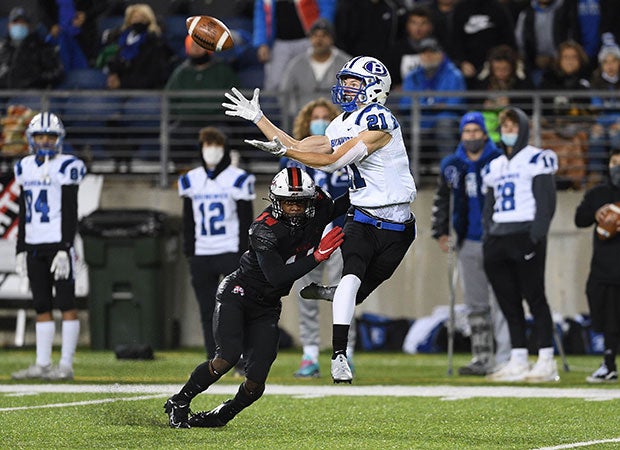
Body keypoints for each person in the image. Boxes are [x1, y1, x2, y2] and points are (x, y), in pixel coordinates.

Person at [223, 55, 417, 383]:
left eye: (354, 82)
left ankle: (334, 292)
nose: (346, 88)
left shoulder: (380, 122)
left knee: (362, 287)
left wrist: (286, 152)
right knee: (353, 277)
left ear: (375, 88)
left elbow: (330, 162)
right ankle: (339, 355)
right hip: (362, 216)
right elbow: (298, 144)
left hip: (400, 223)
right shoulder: (340, 123)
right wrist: (260, 118)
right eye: (346, 81)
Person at [164, 167, 348, 428]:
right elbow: (277, 276)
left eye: (299, 202)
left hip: (268, 305)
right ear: (275, 200)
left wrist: (373, 183)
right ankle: (180, 400)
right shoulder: (264, 228)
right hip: (239, 293)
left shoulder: (318, 208)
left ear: (309, 201)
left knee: (256, 380)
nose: (294, 208)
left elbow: (347, 202)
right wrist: (317, 256)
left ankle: (221, 415)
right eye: (288, 202)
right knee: (227, 356)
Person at [482, 106, 560, 383]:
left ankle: (546, 359)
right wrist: (488, 236)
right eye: (505, 128)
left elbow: (546, 203)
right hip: (499, 237)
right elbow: (488, 206)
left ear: (524, 129)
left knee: (535, 298)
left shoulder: (537, 158)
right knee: (509, 302)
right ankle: (518, 358)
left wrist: (536, 236)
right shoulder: (495, 164)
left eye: (514, 127)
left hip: (525, 233)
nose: (509, 132)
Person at [431, 111, 510, 376]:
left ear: (485, 134)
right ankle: (482, 356)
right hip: (468, 240)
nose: (472, 137)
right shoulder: (453, 164)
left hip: (497, 239)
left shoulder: (499, 161)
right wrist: (441, 231)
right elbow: (443, 199)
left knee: (502, 300)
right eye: (467, 132)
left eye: (476, 132)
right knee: (476, 304)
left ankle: (506, 357)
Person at [11, 112, 87, 381]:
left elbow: (70, 208)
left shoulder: (68, 166)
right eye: (40, 136)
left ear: (59, 139)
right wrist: (20, 247)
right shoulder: (24, 166)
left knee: (66, 303)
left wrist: (66, 246)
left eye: (50, 136)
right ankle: (42, 364)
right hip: (33, 244)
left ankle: (65, 365)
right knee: (41, 304)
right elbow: (23, 210)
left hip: (59, 245)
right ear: (31, 139)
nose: (45, 141)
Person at [280, 98, 352, 378]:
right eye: (315, 117)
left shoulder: (346, 152)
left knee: (345, 294)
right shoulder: (293, 157)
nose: (320, 121)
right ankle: (310, 353)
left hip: (340, 231)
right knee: (305, 293)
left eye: (326, 117)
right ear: (306, 124)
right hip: (306, 235)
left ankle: (345, 352)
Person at [178, 127, 255, 360]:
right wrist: (190, 251)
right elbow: (188, 219)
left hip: (231, 250)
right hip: (202, 252)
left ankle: (240, 356)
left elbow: (245, 219)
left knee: (235, 307)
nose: (211, 151)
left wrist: (246, 252)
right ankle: (215, 357)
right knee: (206, 310)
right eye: (207, 145)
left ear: (225, 149)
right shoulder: (191, 179)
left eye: (216, 145)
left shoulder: (238, 178)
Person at [574, 148, 620, 383]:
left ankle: (609, 363)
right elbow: (579, 219)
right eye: (614, 162)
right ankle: (609, 362)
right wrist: (597, 213)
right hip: (602, 267)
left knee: (615, 319)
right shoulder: (598, 193)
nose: (618, 167)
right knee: (603, 317)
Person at [400, 37, 466, 164]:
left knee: (445, 123)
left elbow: (456, 103)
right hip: (418, 120)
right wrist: (433, 105)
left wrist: (424, 106)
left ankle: (448, 171)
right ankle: (406, 172)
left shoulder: (454, 74)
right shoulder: (412, 76)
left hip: (443, 120)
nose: (428, 56)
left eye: (432, 52)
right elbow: (405, 104)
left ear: (441, 54)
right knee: (399, 126)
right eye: (424, 53)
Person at [253, 0, 336, 91]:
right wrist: (262, 43)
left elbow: (327, 6)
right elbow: (261, 13)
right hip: (279, 44)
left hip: (309, 41)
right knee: (275, 83)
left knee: (310, 81)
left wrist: (323, 32)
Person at [279, 18, 351, 119]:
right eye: (315, 35)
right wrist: (296, 115)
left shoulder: (347, 64)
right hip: (304, 120)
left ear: (332, 39)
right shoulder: (296, 64)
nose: (319, 40)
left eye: (324, 35)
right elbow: (285, 92)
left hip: (338, 121)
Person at [0, 7, 64, 89]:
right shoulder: (3, 48)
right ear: (9, 26)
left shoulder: (41, 47)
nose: (19, 26)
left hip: (32, 95)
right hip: (5, 95)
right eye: (15, 23)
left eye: (22, 23)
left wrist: (35, 79)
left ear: (29, 27)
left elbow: (58, 72)